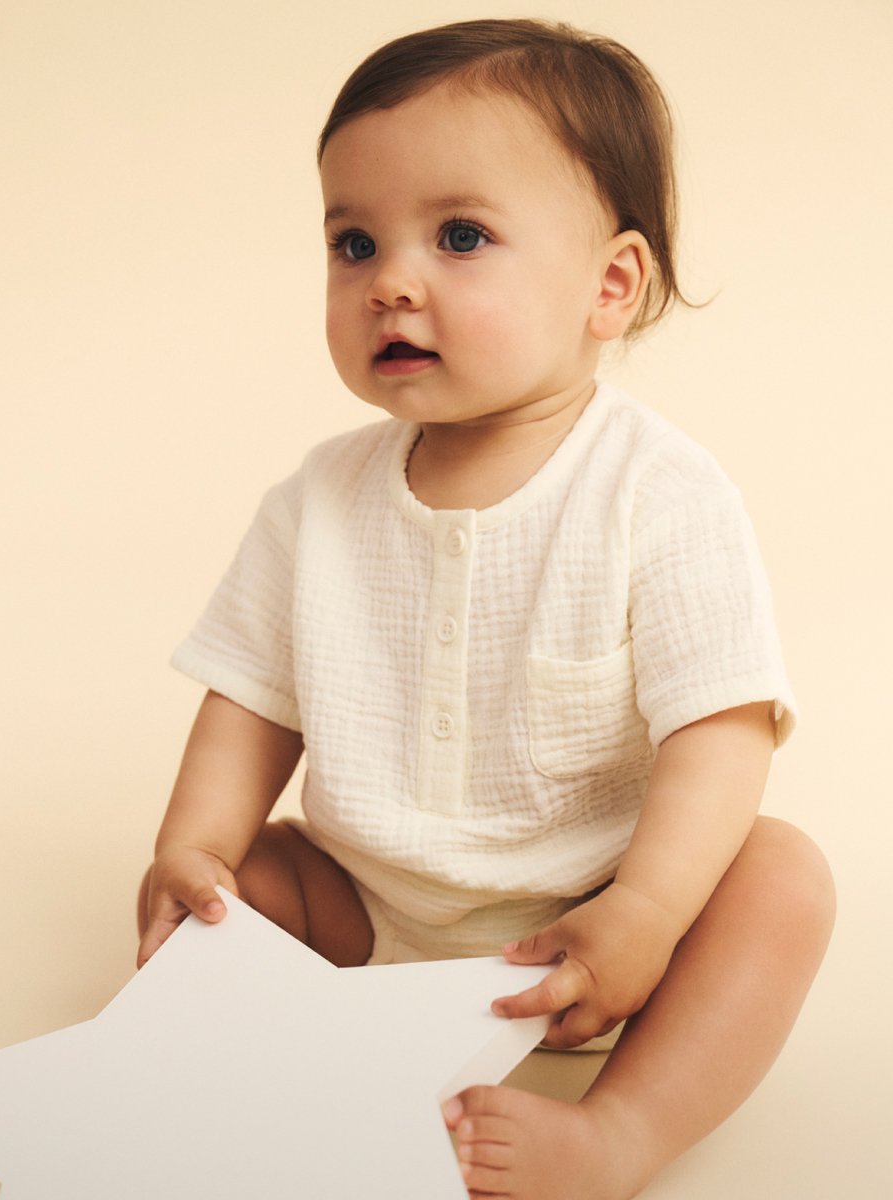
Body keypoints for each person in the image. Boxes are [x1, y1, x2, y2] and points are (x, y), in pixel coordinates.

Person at [137, 19, 835, 1200]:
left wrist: (649, 909)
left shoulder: (659, 492)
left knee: (780, 881)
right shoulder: (318, 498)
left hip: (599, 922)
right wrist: (193, 848)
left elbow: (720, 725)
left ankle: (619, 1134)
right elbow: (251, 697)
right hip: (366, 909)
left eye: (460, 237)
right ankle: (258, 1066)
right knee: (236, 881)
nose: (390, 282)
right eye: (353, 243)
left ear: (610, 285)